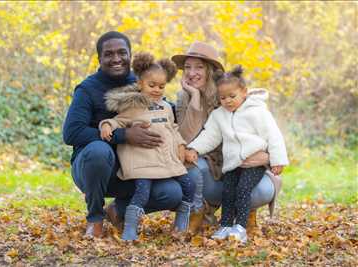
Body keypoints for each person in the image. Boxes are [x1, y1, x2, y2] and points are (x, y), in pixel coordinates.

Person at [63, 31, 184, 238]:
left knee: (172, 193)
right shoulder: (87, 89)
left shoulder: (143, 83)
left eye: (122, 53)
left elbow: (165, 111)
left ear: (130, 55)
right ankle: (95, 218)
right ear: (100, 58)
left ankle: (118, 210)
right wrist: (123, 135)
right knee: (99, 151)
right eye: (109, 54)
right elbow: (72, 133)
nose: (116, 58)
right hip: (94, 168)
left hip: (136, 167)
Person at [171, 41, 282, 234]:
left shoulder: (234, 95)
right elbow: (192, 137)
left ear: (210, 70)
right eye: (187, 67)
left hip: (249, 162)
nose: (191, 72)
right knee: (202, 172)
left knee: (252, 189)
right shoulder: (186, 98)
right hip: (218, 165)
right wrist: (195, 99)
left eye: (198, 67)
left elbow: (271, 134)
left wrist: (271, 158)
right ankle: (211, 218)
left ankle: (246, 217)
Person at [99, 52, 195, 240]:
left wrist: (182, 145)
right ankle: (129, 229)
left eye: (161, 86)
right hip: (143, 162)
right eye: (152, 85)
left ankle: (181, 225)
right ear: (141, 83)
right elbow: (118, 121)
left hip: (166, 160)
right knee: (142, 193)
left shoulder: (166, 107)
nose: (157, 90)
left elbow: (173, 128)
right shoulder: (133, 106)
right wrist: (107, 125)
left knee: (189, 186)